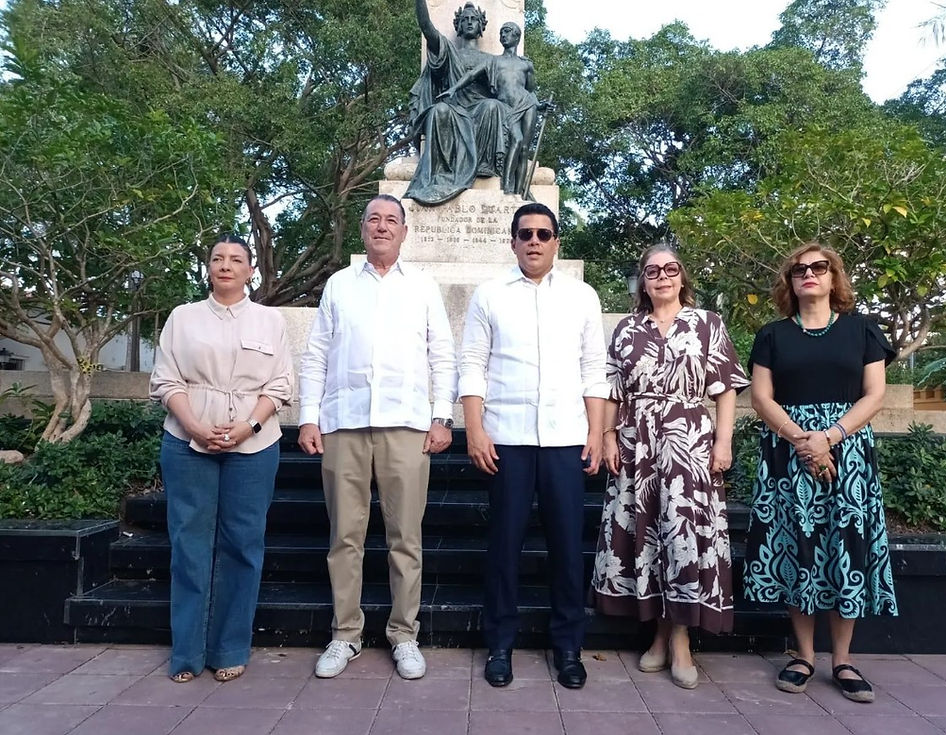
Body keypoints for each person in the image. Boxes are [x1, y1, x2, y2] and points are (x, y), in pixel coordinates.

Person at [298, 194, 457, 680]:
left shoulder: (423, 287)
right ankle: (345, 634)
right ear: (363, 230)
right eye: (374, 220)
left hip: (407, 426)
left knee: (404, 538)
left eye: (392, 220)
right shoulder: (339, 286)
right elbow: (316, 354)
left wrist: (442, 417)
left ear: (405, 231)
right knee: (344, 536)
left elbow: (442, 356)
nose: (382, 227)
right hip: (343, 423)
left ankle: (403, 635)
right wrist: (307, 417)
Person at [459, 202, 608, 689]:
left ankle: (568, 645)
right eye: (526, 234)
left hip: (566, 438)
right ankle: (499, 643)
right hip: (508, 438)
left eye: (544, 233)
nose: (535, 241)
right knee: (504, 545)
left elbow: (594, 370)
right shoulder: (489, 295)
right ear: (513, 241)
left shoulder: (581, 296)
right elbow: (473, 363)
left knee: (568, 546)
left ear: (557, 241)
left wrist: (595, 431)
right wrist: (475, 429)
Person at [743, 241, 898, 704]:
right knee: (797, 547)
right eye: (799, 269)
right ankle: (804, 655)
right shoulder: (772, 334)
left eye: (819, 267)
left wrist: (827, 438)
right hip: (787, 453)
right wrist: (802, 440)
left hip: (846, 451)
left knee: (845, 548)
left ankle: (844, 660)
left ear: (834, 278)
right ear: (789, 282)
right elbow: (761, 398)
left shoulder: (862, 331)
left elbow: (874, 395)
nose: (809, 274)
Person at [591, 245, 749, 690]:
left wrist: (723, 442)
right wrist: (605, 436)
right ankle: (659, 635)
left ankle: (679, 640)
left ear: (683, 278)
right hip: (636, 442)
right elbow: (610, 390)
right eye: (652, 270)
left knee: (683, 537)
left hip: (689, 442)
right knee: (647, 535)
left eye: (670, 269)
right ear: (642, 280)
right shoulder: (626, 329)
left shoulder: (707, 325)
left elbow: (725, 389)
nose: (661, 276)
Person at [150, 234, 293, 684]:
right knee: (189, 545)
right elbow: (165, 379)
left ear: (251, 270)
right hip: (187, 441)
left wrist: (247, 426)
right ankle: (187, 652)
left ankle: (230, 647)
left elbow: (281, 384)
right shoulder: (183, 318)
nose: (226, 265)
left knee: (243, 546)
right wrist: (193, 424)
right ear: (208, 268)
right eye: (217, 258)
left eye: (236, 259)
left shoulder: (271, 321)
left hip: (254, 445)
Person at [405, 0, 510, 204]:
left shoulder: (492, 60)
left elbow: (507, 94)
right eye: (465, 20)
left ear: (481, 26)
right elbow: (426, 27)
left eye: (474, 19)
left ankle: (484, 164)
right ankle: (442, 171)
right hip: (453, 108)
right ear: (458, 25)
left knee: (493, 106)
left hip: (481, 110)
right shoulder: (448, 51)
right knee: (439, 111)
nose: (469, 22)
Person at [437, 22, 551, 195]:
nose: (503, 36)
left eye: (507, 32)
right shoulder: (493, 61)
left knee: (525, 149)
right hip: (506, 108)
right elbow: (471, 75)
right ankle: (506, 186)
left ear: (516, 37)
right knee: (517, 140)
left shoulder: (526, 64)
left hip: (527, 106)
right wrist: (453, 89)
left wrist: (541, 106)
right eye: (501, 32)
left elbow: (530, 90)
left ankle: (519, 193)